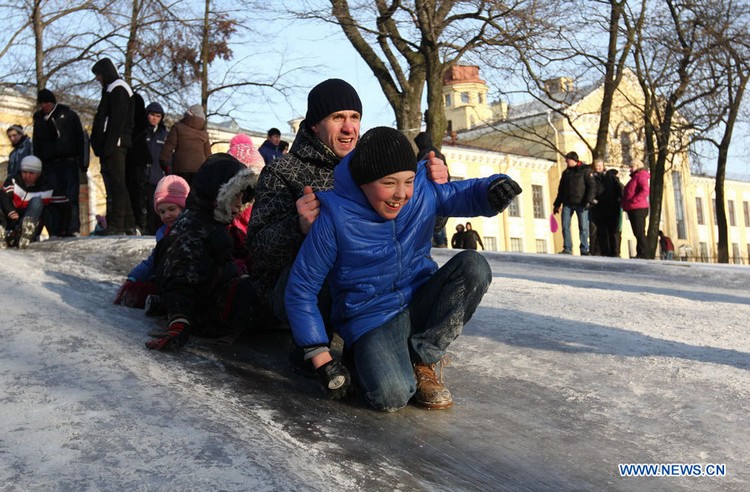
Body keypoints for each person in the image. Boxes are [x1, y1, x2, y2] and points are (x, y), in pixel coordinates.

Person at [285, 127, 522, 411]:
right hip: (372, 316)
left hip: (420, 297)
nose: (401, 195)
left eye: (408, 181)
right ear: (364, 182)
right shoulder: (335, 216)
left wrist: (493, 190)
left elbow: (463, 193)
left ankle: (423, 358)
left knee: (474, 266)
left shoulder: (421, 191)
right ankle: (365, 358)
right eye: (389, 184)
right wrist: (320, 356)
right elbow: (301, 288)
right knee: (392, 396)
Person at [246, 78, 449, 333]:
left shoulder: (373, 166)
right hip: (299, 297)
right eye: (337, 117)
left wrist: (434, 192)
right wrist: (298, 228)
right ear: (315, 125)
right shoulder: (284, 171)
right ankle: (311, 351)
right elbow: (257, 248)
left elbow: (417, 227)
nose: (348, 128)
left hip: (362, 293)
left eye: (354, 117)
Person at [146, 154, 258, 351]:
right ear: (217, 195)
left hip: (216, 298)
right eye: (234, 198)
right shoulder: (193, 229)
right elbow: (180, 277)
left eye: (242, 199)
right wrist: (179, 321)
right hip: (207, 312)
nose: (238, 206)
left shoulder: (211, 222)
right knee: (256, 292)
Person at [114, 175, 190, 308]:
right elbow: (153, 260)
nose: (167, 215)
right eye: (162, 211)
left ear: (184, 208)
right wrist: (134, 277)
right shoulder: (163, 233)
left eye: (172, 209)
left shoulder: (191, 231)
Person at [32, 89, 88, 237]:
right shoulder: (38, 120)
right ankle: (55, 229)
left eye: (47, 103)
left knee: (71, 196)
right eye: (42, 103)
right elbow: (36, 145)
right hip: (49, 164)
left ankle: (73, 228)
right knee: (53, 198)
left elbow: (80, 138)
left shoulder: (68, 115)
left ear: (53, 102)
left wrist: (82, 162)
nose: (45, 106)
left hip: (68, 162)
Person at [91, 57, 136, 235]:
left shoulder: (118, 89)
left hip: (115, 145)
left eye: (98, 75)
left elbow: (117, 120)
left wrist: (109, 145)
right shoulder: (111, 88)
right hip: (110, 145)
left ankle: (119, 224)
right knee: (115, 184)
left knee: (117, 184)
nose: (97, 79)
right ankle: (125, 223)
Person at [1, 155, 69, 249]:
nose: (27, 176)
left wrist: (63, 230)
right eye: (24, 172)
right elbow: (4, 197)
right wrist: (11, 211)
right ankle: (5, 233)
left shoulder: (48, 186)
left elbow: (64, 206)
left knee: (37, 201)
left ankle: (25, 233)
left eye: (31, 173)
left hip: (32, 222)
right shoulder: (14, 181)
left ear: (39, 173)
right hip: (12, 220)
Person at [553, 151, 596, 255]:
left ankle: (584, 248)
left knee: (583, 227)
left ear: (573, 160)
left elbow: (591, 187)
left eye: (567, 160)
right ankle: (567, 248)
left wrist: (588, 201)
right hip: (567, 203)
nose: (566, 162)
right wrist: (557, 204)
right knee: (565, 226)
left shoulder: (585, 171)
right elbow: (561, 190)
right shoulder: (566, 173)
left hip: (582, 203)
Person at [159, 104, 211, 186]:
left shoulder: (178, 127)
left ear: (188, 114)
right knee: (193, 195)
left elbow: (169, 145)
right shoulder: (204, 133)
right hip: (199, 169)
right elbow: (208, 154)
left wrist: (163, 160)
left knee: (179, 193)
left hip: (180, 166)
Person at [414, 131, 448, 248]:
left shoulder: (423, 153)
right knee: (441, 213)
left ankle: (437, 241)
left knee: (431, 215)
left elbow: (421, 169)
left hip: (429, 187)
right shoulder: (440, 153)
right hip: (442, 186)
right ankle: (442, 240)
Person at [143, 102, 169, 235]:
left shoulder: (164, 134)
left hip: (157, 176)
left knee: (156, 207)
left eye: (158, 116)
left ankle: (155, 231)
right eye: (152, 115)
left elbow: (168, 156)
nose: (154, 118)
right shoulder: (141, 131)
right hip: (142, 174)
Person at [589, 159, 623, 257]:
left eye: (600, 165)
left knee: (613, 231)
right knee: (601, 231)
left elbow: (619, 189)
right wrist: (593, 200)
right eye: (597, 165)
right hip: (599, 207)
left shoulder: (610, 177)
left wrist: (618, 200)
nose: (599, 167)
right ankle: (605, 251)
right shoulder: (592, 178)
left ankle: (615, 251)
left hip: (612, 207)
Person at [124, 93, 148, 233]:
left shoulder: (135, 126)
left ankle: (139, 224)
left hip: (134, 160)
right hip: (137, 160)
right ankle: (139, 223)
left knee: (136, 192)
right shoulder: (142, 126)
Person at [621, 159, 650, 259]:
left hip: (639, 208)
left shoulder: (641, 176)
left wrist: (634, 200)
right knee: (637, 232)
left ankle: (644, 253)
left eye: (632, 166)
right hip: (632, 208)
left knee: (639, 231)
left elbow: (645, 190)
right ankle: (641, 253)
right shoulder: (635, 177)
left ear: (637, 166)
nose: (630, 168)